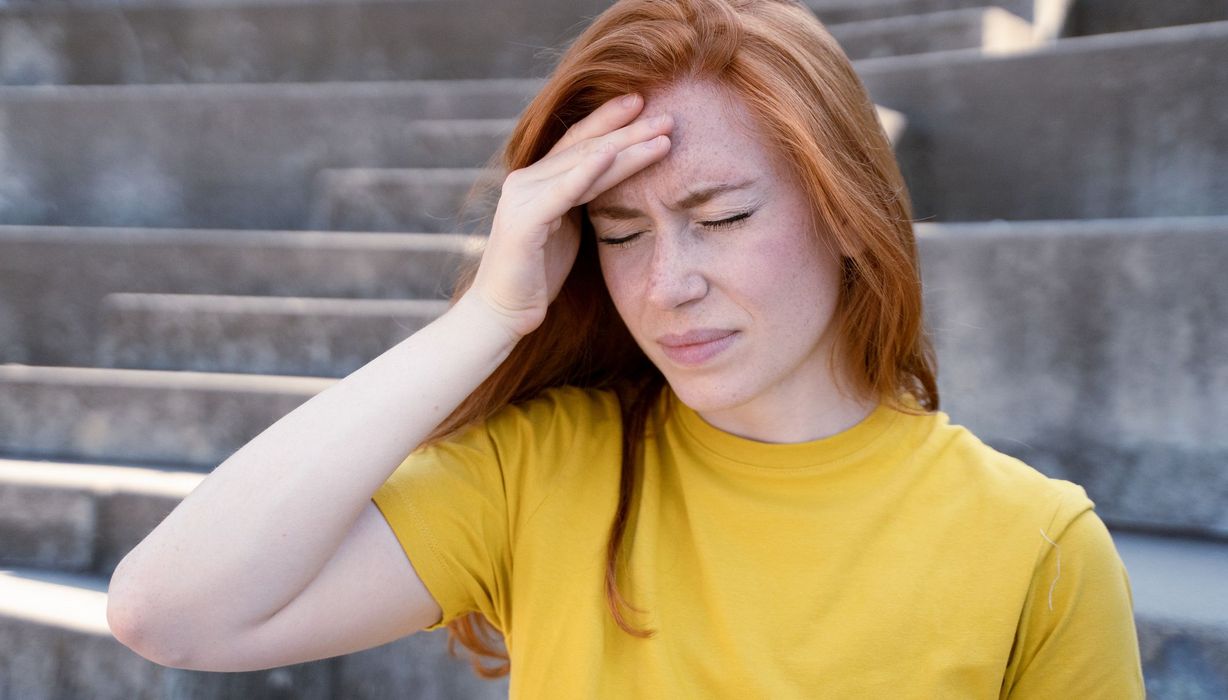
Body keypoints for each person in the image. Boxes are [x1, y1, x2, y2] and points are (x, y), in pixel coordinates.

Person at [106, 0, 1146, 696]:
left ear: (846, 211)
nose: (666, 282)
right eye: (618, 232)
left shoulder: (1035, 546)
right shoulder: (541, 469)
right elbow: (171, 612)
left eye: (723, 215)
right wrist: (485, 320)